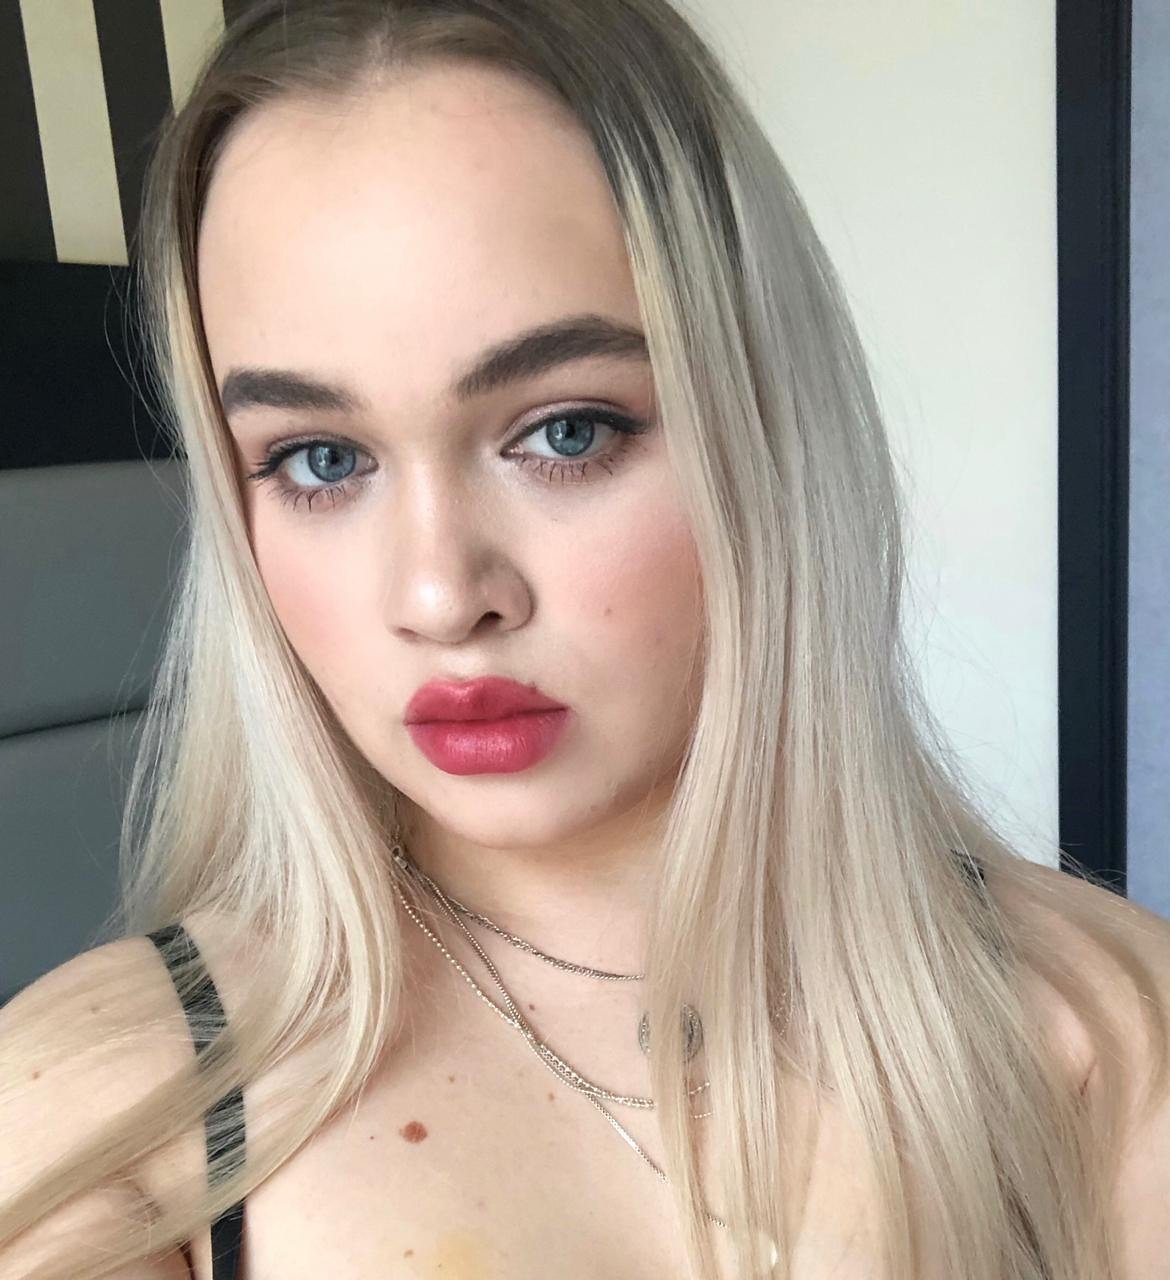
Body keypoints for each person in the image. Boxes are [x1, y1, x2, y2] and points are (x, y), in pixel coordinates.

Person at [2, 1, 1169, 1277]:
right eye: (321, 459)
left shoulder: (1114, 1033)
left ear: (763, 427)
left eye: (566, 431)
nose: (442, 594)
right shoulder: (99, 1124)